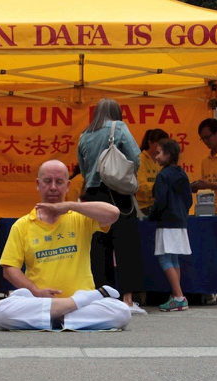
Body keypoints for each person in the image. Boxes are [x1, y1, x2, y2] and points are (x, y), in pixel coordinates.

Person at [0, 160, 131, 330]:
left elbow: (114, 213)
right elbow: (9, 269)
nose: (53, 187)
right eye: (47, 181)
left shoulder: (79, 217)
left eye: (59, 182)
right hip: (39, 301)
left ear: (68, 185)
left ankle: (54, 315)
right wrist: (36, 292)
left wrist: (71, 205)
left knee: (122, 312)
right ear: (38, 184)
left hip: (77, 301)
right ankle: (68, 314)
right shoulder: (22, 225)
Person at [78, 98, 147, 315]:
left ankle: (103, 298)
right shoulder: (119, 127)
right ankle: (127, 300)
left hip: (93, 194)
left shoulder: (84, 136)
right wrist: (124, 173)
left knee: (98, 246)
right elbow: (136, 157)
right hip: (116, 194)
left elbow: (82, 168)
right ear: (116, 112)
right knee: (126, 245)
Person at [148, 139, 192, 312]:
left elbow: (160, 201)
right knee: (173, 258)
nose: (156, 156)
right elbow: (188, 199)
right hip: (180, 221)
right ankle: (176, 295)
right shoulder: (182, 174)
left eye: (159, 153)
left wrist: (151, 216)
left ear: (168, 155)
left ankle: (179, 297)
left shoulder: (163, 176)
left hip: (166, 222)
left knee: (165, 258)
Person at [191, 118, 217, 215]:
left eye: (207, 137)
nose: (205, 141)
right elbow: (206, 188)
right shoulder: (205, 160)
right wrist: (197, 187)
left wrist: (208, 184)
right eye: (202, 138)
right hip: (208, 210)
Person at [136, 128, 169, 215]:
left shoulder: (162, 160)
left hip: (159, 207)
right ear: (150, 143)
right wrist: (161, 187)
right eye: (160, 144)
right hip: (143, 209)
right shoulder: (140, 159)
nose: (163, 148)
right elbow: (140, 186)